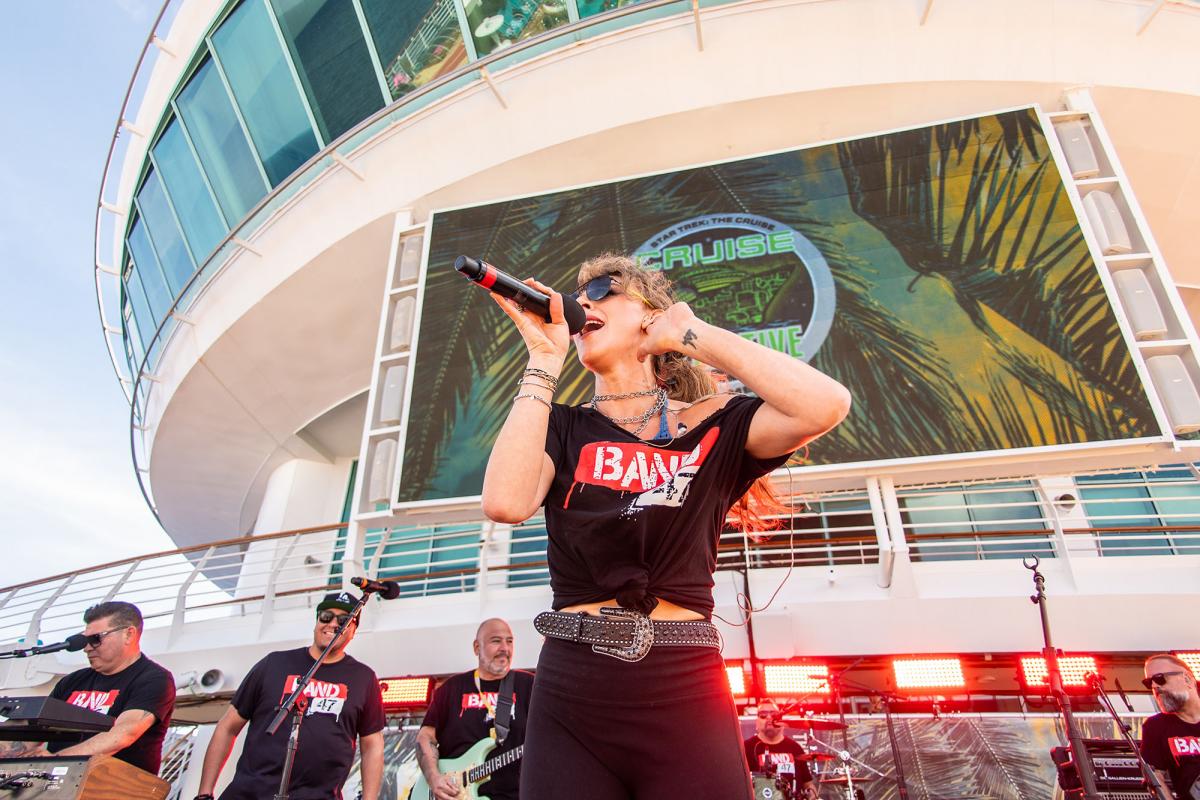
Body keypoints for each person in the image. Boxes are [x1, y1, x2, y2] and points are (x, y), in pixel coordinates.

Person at [481, 252, 851, 799]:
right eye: (578, 295)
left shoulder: (714, 424)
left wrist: (689, 333)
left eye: (602, 290)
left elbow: (825, 405)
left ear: (650, 314)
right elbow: (505, 503)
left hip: (683, 681)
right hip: (573, 682)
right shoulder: (562, 427)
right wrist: (542, 359)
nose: (582, 302)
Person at [194, 591, 384, 800]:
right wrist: (204, 793)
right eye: (326, 617)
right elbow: (228, 726)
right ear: (317, 622)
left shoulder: (363, 678)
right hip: (250, 793)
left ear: (354, 630)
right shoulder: (274, 664)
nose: (332, 624)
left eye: (343, 620)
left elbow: (372, 745)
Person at [27, 601, 175, 773]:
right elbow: (32, 731)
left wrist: (55, 762)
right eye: (85, 640)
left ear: (129, 634)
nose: (87, 648)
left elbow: (124, 733)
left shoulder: (154, 679)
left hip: (116, 784)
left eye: (96, 639)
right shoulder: (71, 681)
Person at [416, 618, 533, 800]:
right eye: (496, 641)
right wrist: (434, 778)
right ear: (477, 647)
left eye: (509, 641)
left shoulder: (530, 686)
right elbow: (426, 737)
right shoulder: (452, 688)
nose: (505, 648)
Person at [1140, 653, 1200, 800]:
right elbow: (1155, 778)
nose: (1154, 686)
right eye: (1149, 682)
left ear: (1187, 679)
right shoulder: (1155, 727)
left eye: (1160, 678)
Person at [744, 701, 817, 800]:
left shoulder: (795, 748)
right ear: (756, 722)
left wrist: (812, 793)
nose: (769, 718)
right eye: (763, 715)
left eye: (774, 715)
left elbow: (808, 784)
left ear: (782, 720)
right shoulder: (746, 748)